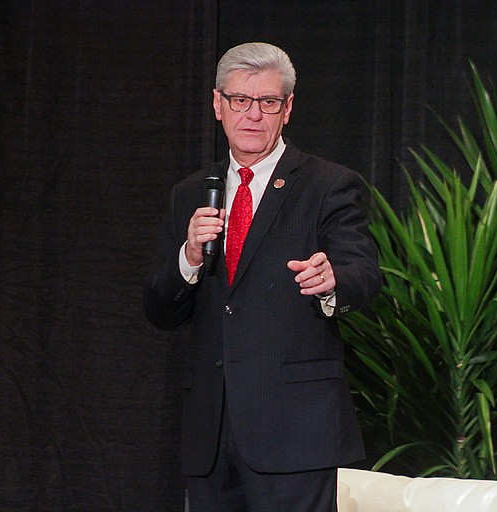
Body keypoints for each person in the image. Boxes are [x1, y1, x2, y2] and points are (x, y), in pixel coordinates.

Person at [144, 42, 382, 512]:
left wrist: (332, 280)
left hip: (296, 433)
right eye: (240, 101)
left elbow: (364, 273)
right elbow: (159, 309)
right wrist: (189, 255)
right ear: (218, 104)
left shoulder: (328, 183)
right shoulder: (191, 193)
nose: (253, 115)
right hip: (211, 435)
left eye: (268, 102)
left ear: (287, 108)